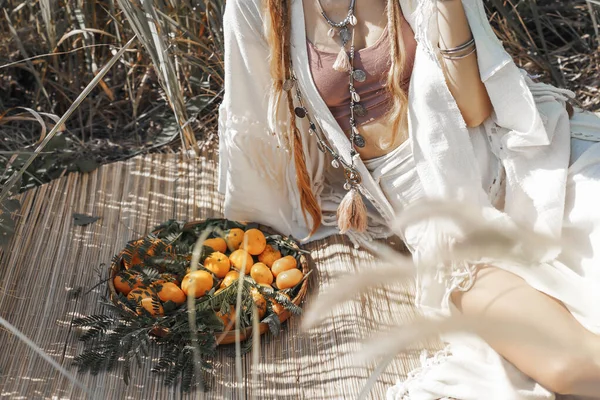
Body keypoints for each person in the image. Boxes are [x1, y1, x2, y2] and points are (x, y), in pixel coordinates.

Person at [217, 0, 600, 397]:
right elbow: (254, 121)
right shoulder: (257, 7)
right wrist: (250, 237)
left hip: (528, 160)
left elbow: (473, 111)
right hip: (439, 215)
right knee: (568, 366)